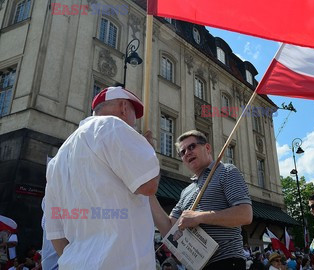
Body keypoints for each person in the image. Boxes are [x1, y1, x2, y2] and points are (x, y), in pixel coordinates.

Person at [44, 86, 160, 269]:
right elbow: (149, 184)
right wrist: (147, 151)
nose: (133, 125)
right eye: (134, 119)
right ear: (123, 107)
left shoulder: (57, 160)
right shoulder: (112, 125)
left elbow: (56, 234)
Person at [150, 130, 252, 269]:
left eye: (192, 147)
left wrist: (199, 217)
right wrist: (148, 191)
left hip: (226, 262)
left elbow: (245, 214)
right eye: (182, 152)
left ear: (207, 148)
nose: (187, 153)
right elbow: (169, 228)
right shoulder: (186, 192)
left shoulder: (226, 171)